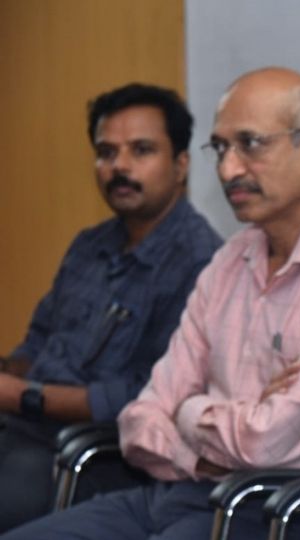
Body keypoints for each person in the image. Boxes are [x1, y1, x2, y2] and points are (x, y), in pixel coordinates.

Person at [2, 67, 300, 540]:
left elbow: (269, 444)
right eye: (220, 148)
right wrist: (209, 448)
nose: (228, 169)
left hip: (280, 512)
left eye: (251, 144)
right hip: (178, 490)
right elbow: (140, 418)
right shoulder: (231, 259)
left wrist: (188, 410)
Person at [0, 83, 221, 531]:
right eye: (106, 153)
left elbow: (143, 394)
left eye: (141, 150)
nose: (119, 166)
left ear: (181, 164)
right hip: (21, 426)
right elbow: (37, 345)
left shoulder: (201, 263)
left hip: (95, 456)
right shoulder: (89, 245)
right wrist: (10, 374)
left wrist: (22, 395)